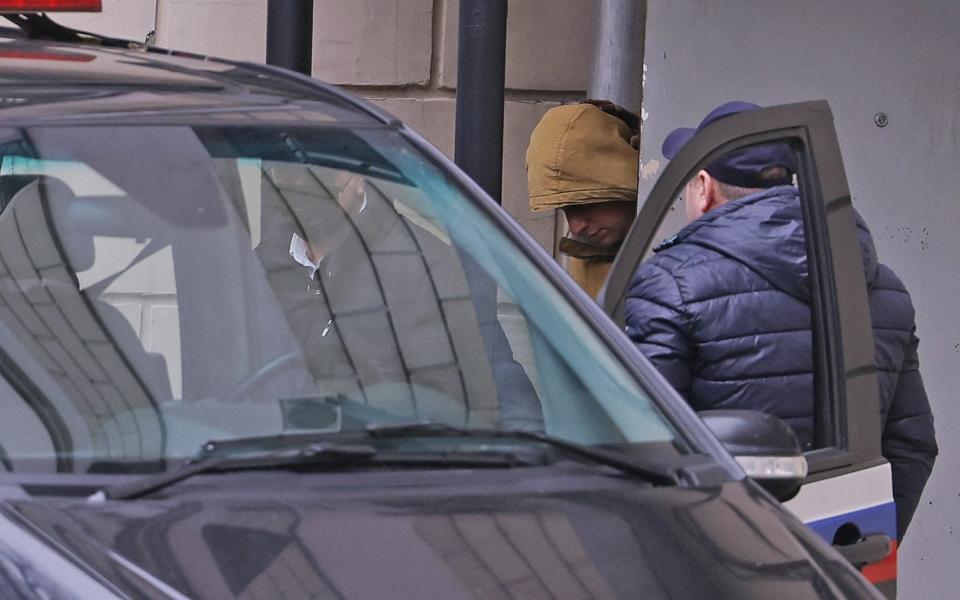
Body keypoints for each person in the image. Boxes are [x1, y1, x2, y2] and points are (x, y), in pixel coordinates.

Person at [625, 101, 937, 540]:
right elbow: (912, 446)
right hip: (835, 566)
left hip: (716, 563)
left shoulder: (669, 285)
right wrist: (855, 548)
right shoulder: (883, 290)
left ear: (702, 186)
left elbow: (642, 449)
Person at [526, 101, 640, 298]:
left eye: (586, 204)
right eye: (566, 210)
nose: (576, 227)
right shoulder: (586, 253)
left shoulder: (684, 242)